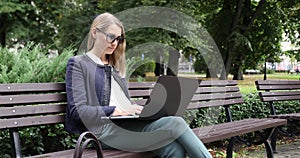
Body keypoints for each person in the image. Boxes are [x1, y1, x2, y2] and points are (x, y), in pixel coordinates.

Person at [65, 12, 212, 158]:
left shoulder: (115, 67)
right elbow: (78, 111)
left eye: (118, 39)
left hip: (126, 126)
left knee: (173, 149)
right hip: (102, 132)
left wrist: (137, 110)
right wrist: (114, 110)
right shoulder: (79, 64)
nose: (115, 43)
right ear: (95, 32)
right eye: (111, 37)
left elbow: (123, 103)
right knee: (176, 123)